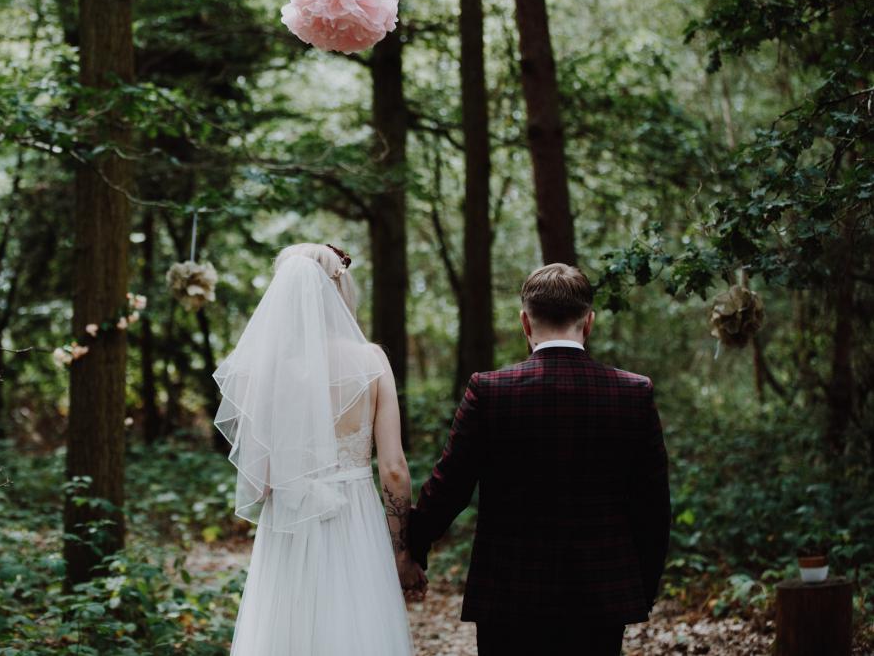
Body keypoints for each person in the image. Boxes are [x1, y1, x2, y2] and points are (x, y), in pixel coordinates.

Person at [408, 263, 672, 655]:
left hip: (509, 594)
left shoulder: (489, 391)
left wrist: (411, 545)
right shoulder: (632, 393)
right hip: (600, 596)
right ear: (589, 322)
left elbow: (450, 488)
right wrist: (640, 590)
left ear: (525, 323)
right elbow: (653, 508)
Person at [214, 243, 423, 656]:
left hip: (289, 523)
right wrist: (404, 552)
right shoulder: (371, 360)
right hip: (354, 516)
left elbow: (260, 481)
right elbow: (394, 469)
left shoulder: (266, 367)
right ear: (339, 288)